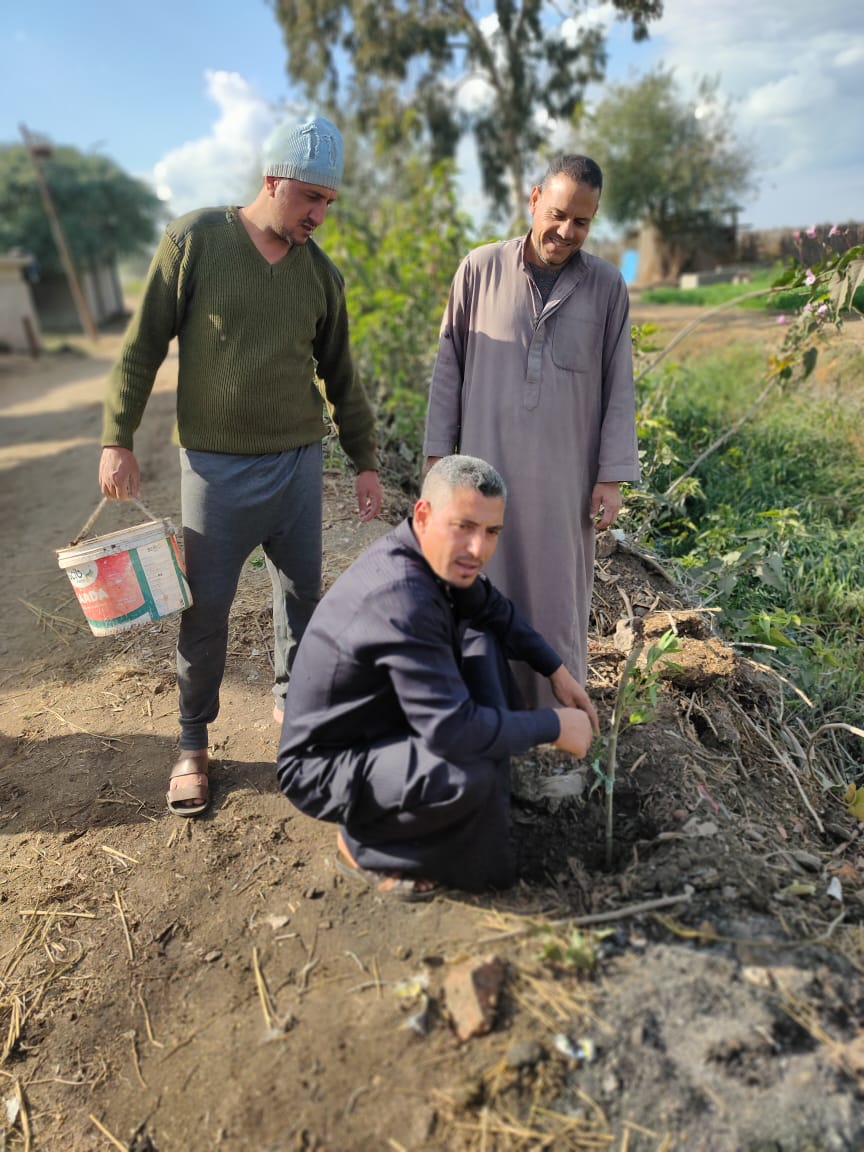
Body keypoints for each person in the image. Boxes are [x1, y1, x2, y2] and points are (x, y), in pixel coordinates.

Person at [99, 114, 382, 818]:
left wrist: (365, 460)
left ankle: (297, 719)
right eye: (309, 199)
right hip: (216, 474)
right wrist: (117, 436)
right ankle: (193, 743)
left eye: (329, 203)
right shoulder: (195, 242)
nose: (319, 215)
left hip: (297, 466)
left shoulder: (323, 277)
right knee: (205, 612)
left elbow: (341, 377)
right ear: (272, 181)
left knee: (303, 600)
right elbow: (141, 349)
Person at [276, 455, 597, 897]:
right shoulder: (401, 598)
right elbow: (451, 731)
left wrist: (556, 670)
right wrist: (556, 726)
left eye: (491, 532)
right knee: (465, 775)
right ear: (424, 515)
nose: (477, 549)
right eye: (464, 526)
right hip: (325, 765)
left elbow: (495, 612)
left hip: (382, 717)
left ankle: (471, 814)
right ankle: (368, 845)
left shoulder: (430, 556)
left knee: (483, 645)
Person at [423, 154, 640, 709]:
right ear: (534, 199)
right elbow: (449, 368)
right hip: (482, 470)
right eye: (559, 214)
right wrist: (435, 461)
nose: (567, 231)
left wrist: (611, 478)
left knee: (554, 596)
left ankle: (553, 721)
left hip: (564, 483)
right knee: (477, 584)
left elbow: (619, 385)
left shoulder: (608, 286)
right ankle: (480, 711)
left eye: (583, 222)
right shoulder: (479, 269)